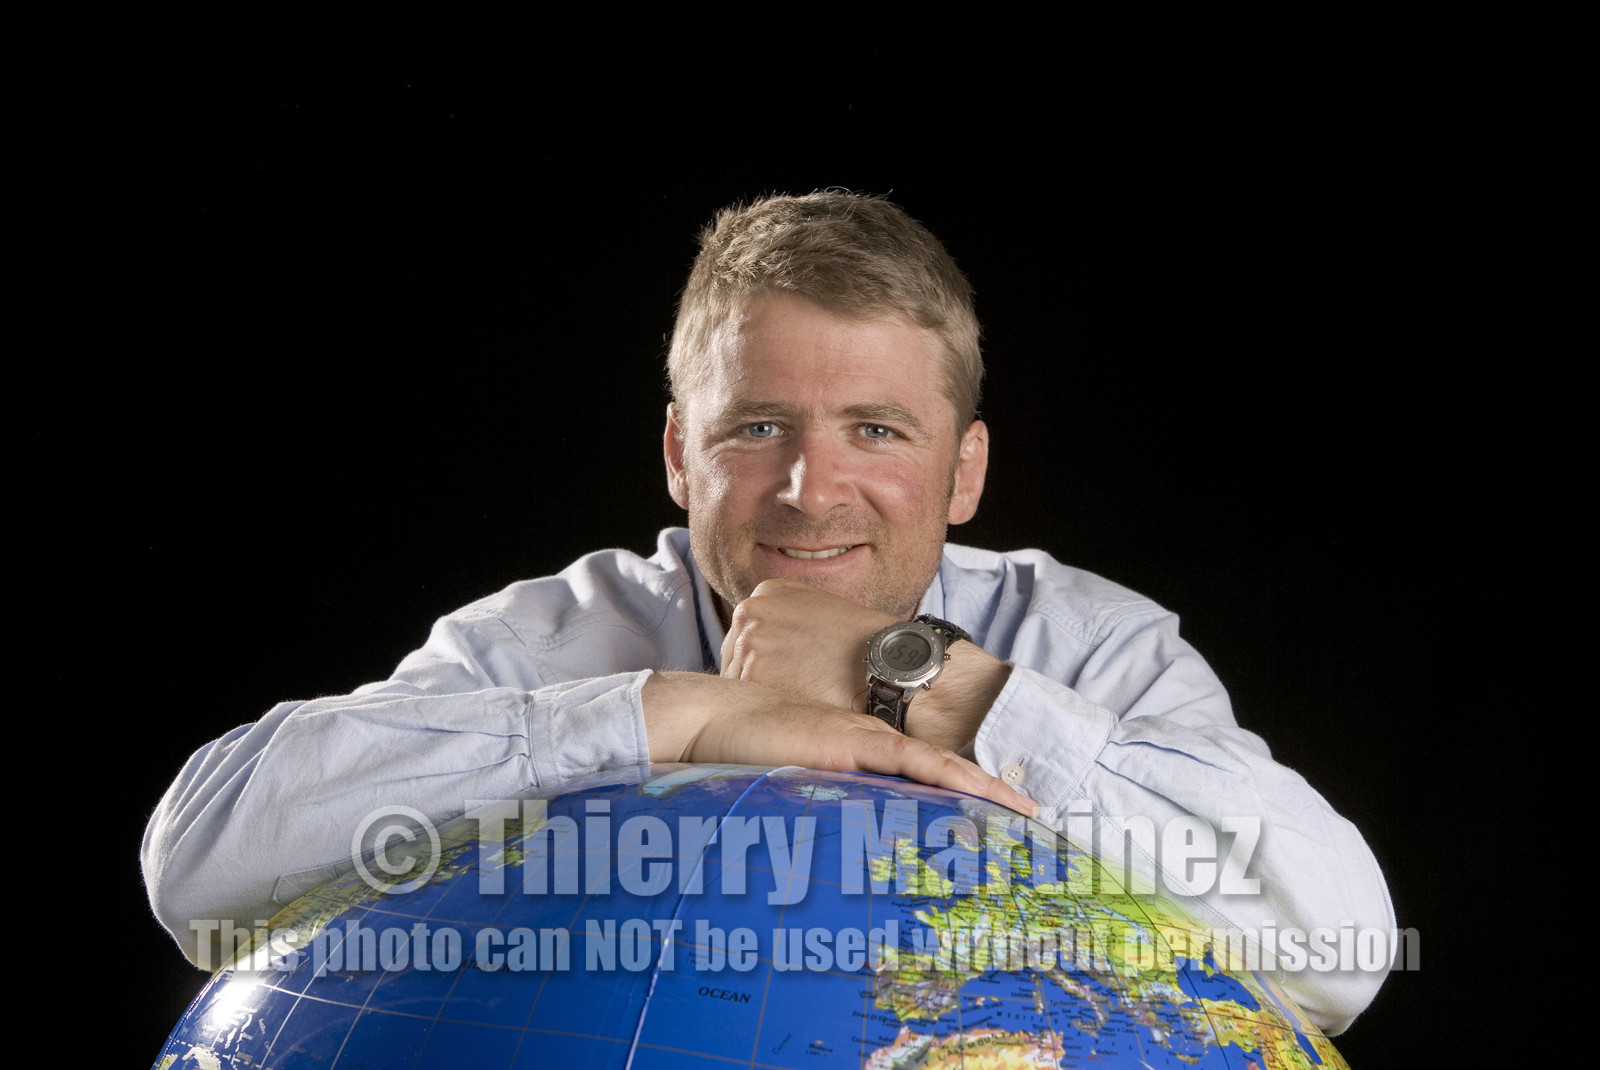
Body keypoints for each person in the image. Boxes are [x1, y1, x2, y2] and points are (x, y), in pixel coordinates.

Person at [143, 191, 1392, 1033]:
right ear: (680, 454)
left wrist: (917, 674)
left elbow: (1342, 952)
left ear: (964, 470)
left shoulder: (1092, 644)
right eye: (757, 427)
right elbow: (200, 871)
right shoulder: (552, 641)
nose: (810, 487)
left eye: (876, 429)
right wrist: (671, 717)